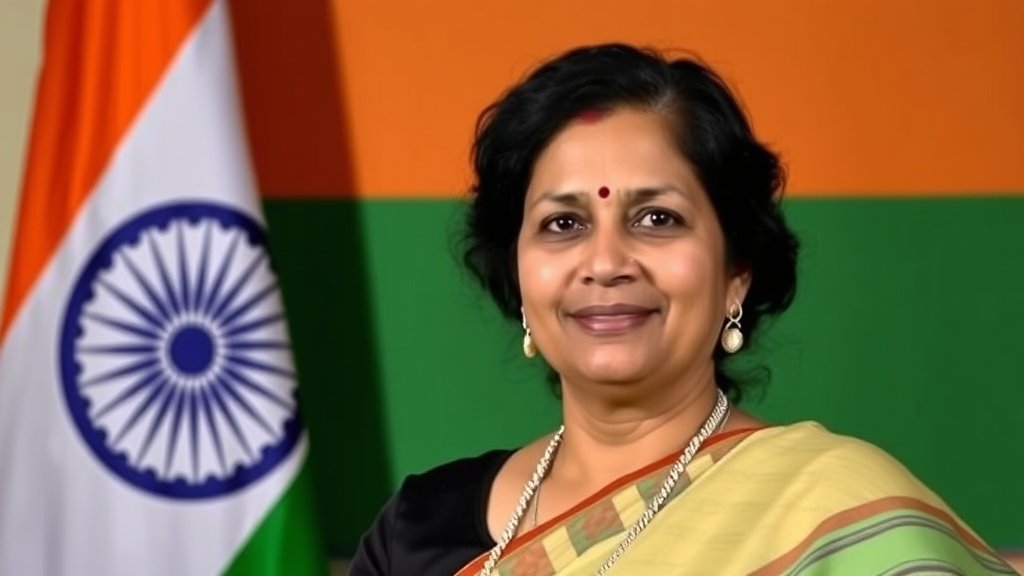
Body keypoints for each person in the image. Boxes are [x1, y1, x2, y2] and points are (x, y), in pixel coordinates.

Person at [348, 43, 1015, 575]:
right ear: (519, 276)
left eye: (657, 218)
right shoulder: (418, 528)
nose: (606, 262)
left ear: (735, 275)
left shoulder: (830, 515)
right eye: (563, 224)